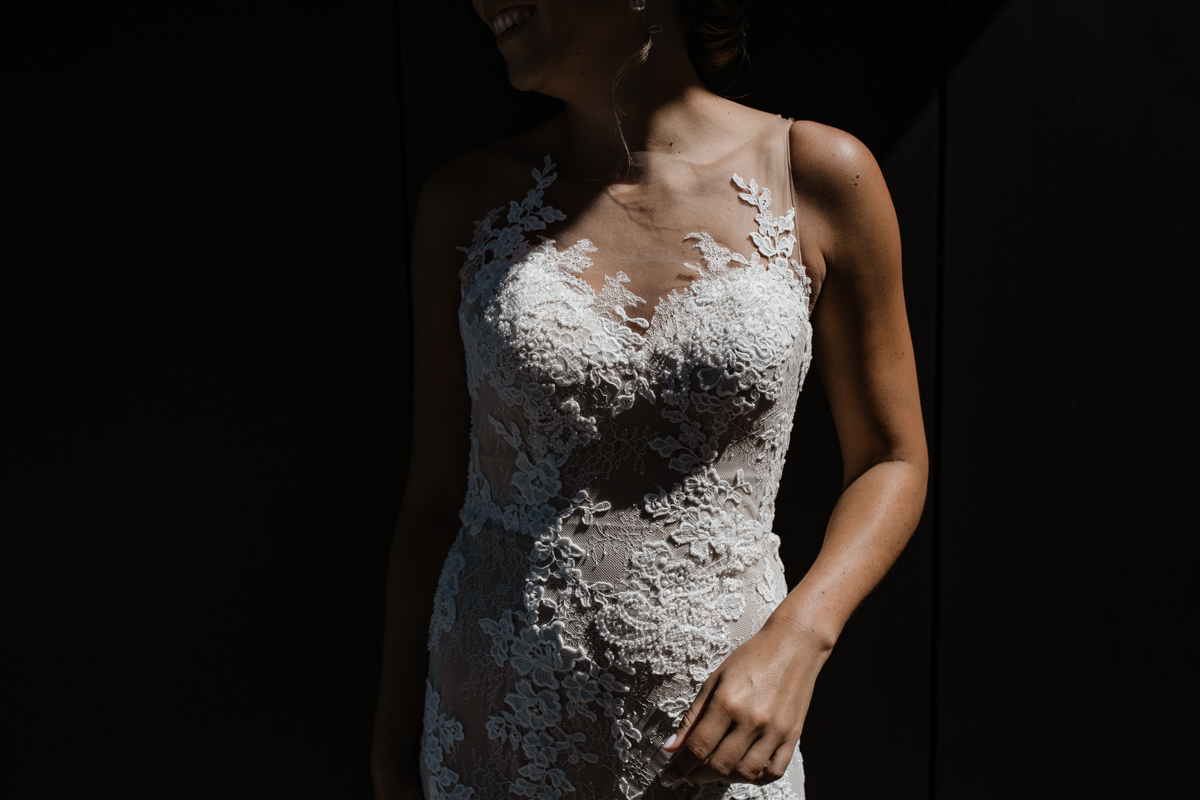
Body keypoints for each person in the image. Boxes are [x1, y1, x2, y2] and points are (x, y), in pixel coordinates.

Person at [372, 1, 928, 798]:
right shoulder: (467, 202)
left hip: (717, 748)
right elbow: (434, 496)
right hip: (493, 739)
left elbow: (893, 458)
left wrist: (801, 638)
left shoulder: (819, 173)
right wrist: (393, 753)